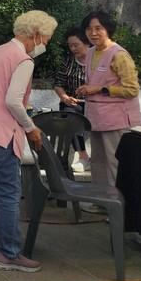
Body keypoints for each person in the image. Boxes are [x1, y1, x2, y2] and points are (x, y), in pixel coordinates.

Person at [0, 10, 56, 273]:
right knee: (9, 193)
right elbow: (12, 100)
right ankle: (9, 252)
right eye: (47, 38)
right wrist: (31, 127)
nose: (46, 43)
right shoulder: (23, 60)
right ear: (37, 34)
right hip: (1, 132)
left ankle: (3, 243)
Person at [75, 10, 141, 190]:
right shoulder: (89, 52)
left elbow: (132, 89)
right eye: (89, 29)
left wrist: (100, 89)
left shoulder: (119, 55)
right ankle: (102, 202)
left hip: (116, 119)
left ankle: (118, 207)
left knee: (115, 163)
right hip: (95, 117)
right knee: (97, 162)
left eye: (99, 28)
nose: (93, 33)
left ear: (108, 29)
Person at [53, 26, 92, 172]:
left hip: (95, 103)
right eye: (70, 45)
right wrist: (64, 97)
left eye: (76, 45)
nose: (73, 48)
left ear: (87, 43)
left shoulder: (97, 61)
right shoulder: (67, 61)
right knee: (69, 115)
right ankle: (83, 156)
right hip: (73, 102)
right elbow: (58, 84)